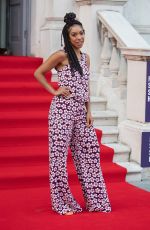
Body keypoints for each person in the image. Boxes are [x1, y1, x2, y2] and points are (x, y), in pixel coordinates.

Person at [34, 12, 111, 216]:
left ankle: (96, 201)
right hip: (61, 111)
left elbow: (85, 86)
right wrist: (54, 90)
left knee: (90, 154)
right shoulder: (61, 55)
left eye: (81, 33)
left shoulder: (86, 58)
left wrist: (89, 111)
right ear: (67, 38)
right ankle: (62, 203)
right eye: (74, 35)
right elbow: (38, 72)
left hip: (80, 112)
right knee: (58, 158)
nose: (79, 38)